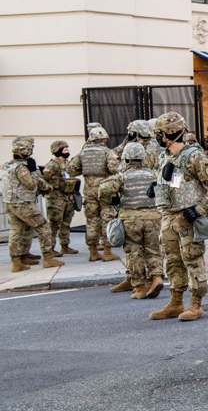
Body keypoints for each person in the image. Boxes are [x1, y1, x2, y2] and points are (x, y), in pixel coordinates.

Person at [148, 112, 208, 322]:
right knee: (172, 261)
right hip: (168, 216)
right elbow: (176, 183)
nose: (156, 136)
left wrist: (199, 210)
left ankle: (196, 303)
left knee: (192, 259)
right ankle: (175, 301)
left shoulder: (194, 156)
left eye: (159, 133)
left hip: (187, 219)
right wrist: (156, 188)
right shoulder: (165, 155)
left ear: (170, 133)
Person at [98, 143, 164, 300]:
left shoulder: (123, 176)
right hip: (153, 218)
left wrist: (113, 197)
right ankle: (156, 278)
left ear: (126, 158)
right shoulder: (154, 174)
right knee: (153, 250)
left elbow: (103, 189)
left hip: (130, 219)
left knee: (134, 253)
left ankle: (139, 288)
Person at [3, 137, 64, 272]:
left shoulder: (8, 165)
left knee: (19, 230)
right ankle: (48, 258)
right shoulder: (21, 168)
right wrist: (34, 172)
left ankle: (19, 259)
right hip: (22, 203)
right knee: (43, 227)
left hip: (11, 203)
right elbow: (30, 185)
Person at [66, 126, 121, 262]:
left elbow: (70, 169)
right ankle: (107, 251)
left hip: (89, 190)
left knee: (91, 220)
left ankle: (93, 251)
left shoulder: (82, 153)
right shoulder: (107, 152)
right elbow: (114, 169)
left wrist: (85, 171)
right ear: (104, 139)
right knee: (106, 218)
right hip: (104, 189)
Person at [42, 140, 79, 256]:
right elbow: (44, 180)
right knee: (54, 224)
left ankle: (65, 245)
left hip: (68, 197)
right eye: (64, 149)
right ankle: (50, 248)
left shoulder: (69, 164)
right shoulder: (52, 165)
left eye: (67, 149)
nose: (67, 151)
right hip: (56, 199)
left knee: (66, 223)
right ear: (57, 151)